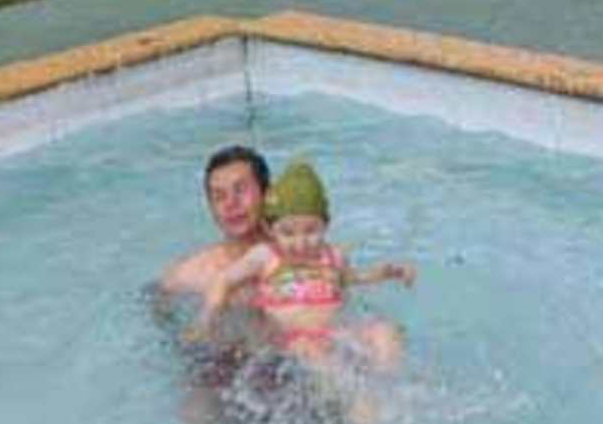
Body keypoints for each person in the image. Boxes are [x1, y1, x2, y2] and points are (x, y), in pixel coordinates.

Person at [190, 161, 415, 375]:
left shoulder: (333, 255)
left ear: (326, 224)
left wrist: (385, 273)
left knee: (385, 332)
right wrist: (207, 317)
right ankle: (354, 399)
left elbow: (348, 279)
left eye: (311, 231)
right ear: (270, 229)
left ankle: (390, 386)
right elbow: (224, 280)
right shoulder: (266, 256)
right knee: (316, 353)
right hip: (292, 340)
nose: (300, 242)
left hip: (334, 333)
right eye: (288, 233)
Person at [157, 145, 272, 301]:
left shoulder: (299, 256)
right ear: (210, 207)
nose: (231, 203)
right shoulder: (192, 275)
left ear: (267, 193)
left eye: (240, 190)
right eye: (219, 196)